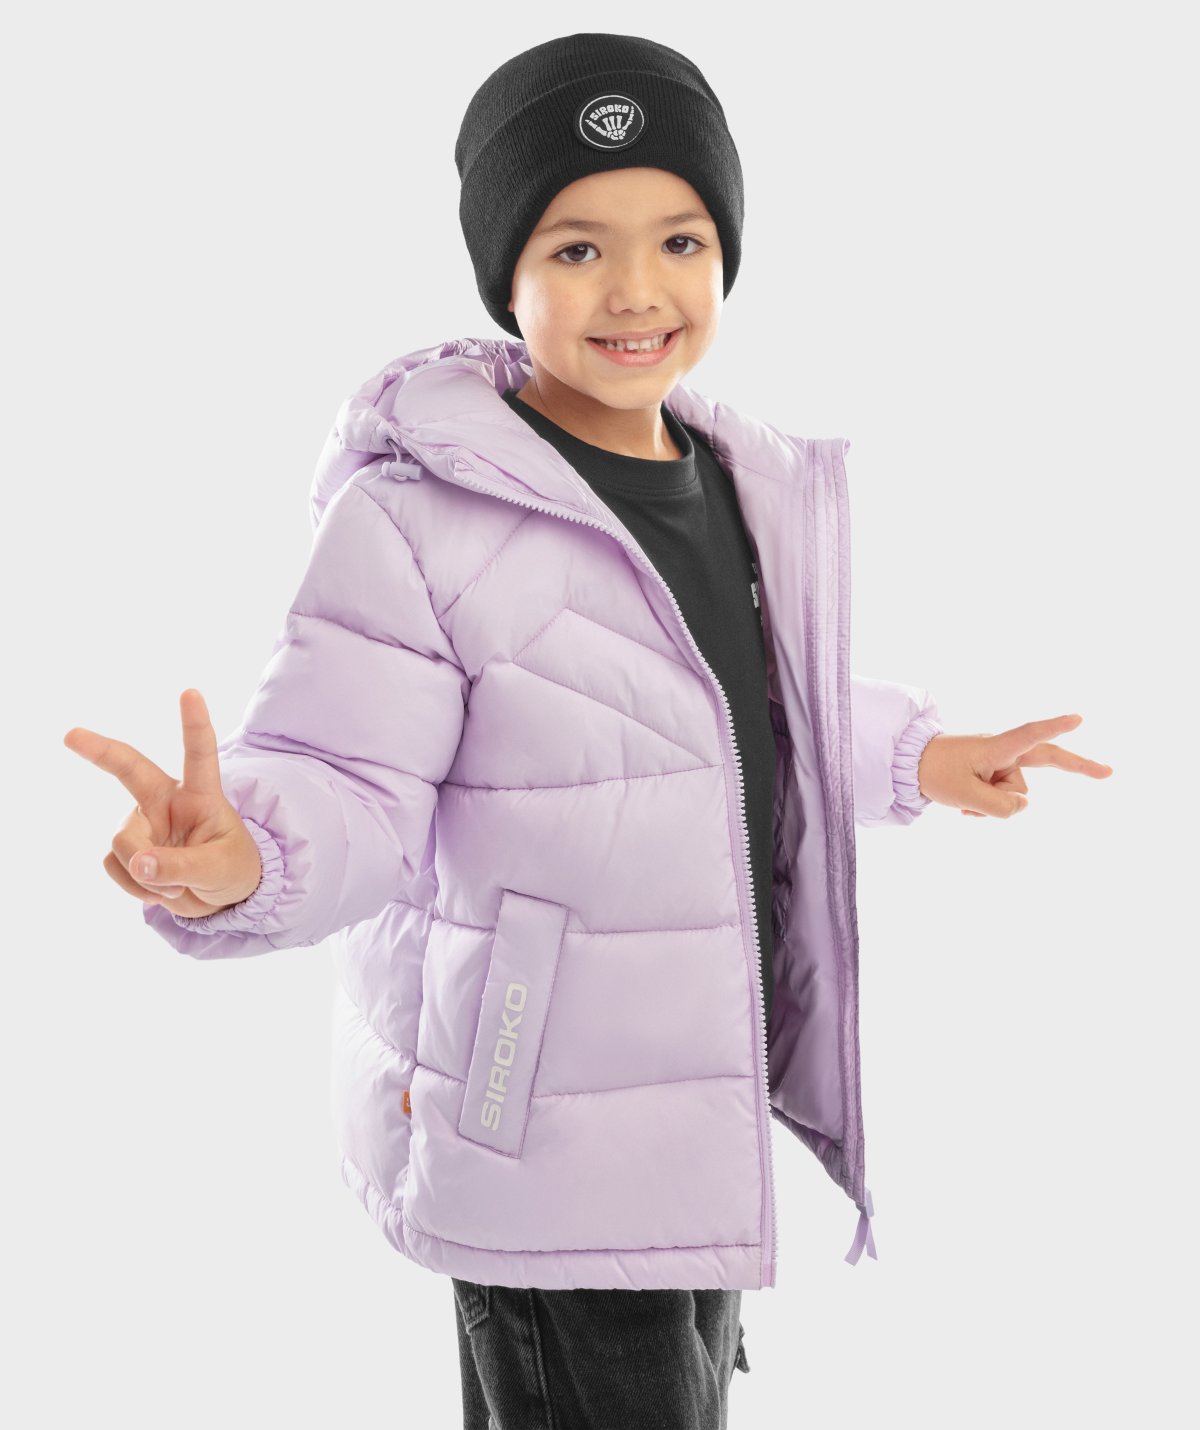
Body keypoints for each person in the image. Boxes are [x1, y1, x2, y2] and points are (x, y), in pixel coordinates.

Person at [63, 32, 1113, 1430]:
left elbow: (738, 703)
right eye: (576, 249)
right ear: (505, 276)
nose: (636, 290)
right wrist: (244, 853)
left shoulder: (734, 477)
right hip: (540, 1118)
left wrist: (917, 756)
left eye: (680, 240)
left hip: (692, 1109)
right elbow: (349, 775)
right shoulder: (421, 516)